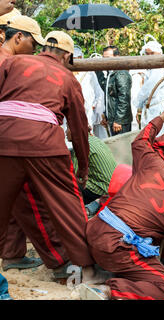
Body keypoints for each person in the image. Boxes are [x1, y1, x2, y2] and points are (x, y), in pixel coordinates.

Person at [0, 30, 108, 284]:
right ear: (67, 55)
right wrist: (83, 166)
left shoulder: (13, 62)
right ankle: (89, 271)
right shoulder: (68, 79)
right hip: (44, 144)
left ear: (43, 49)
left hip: (3, 139)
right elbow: (80, 129)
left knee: (12, 203)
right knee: (69, 208)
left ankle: (52, 263)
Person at [84, 100, 164, 300]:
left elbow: (140, 140)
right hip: (116, 249)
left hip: (93, 231)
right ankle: (107, 291)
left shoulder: (154, 164)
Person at [0, 16, 70, 275]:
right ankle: (61, 262)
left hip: (10, 140)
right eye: (33, 42)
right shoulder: (9, 62)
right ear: (18, 38)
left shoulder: (13, 62)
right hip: (16, 141)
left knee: (15, 199)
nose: (37, 50)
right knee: (31, 201)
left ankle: (12, 254)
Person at [66, 126, 117, 214]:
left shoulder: (80, 146)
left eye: (68, 128)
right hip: (112, 185)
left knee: (68, 183)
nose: (65, 132)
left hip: (102, 189)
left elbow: (74, 175)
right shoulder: (94, 139)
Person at [134, 37, 164, 135]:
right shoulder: (151, 69)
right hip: (150, 109)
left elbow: (147, 90)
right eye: (147, 54)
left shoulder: (158, 69)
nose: (150, 56)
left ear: (158, 53)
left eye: (152, 53)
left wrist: (137, 104)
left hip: (156, 110)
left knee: (156, 136)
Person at [95, 46, 133, 136]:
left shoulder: (121, 73)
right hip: (113, 120)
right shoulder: (111, 73)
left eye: (108, 58)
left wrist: (119, 120)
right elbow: (108, 91)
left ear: (117, 56)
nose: (105, 61)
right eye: (103, 58)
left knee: (121, 148)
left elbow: (124, 99)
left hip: (120, 122)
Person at [73, 46, 107, 139]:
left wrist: (97, 107)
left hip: (88, 110)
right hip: (72, 110)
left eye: (78, 58)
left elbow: (98, 92)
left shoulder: (89, 73)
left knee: (88, 134)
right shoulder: (67, 72)